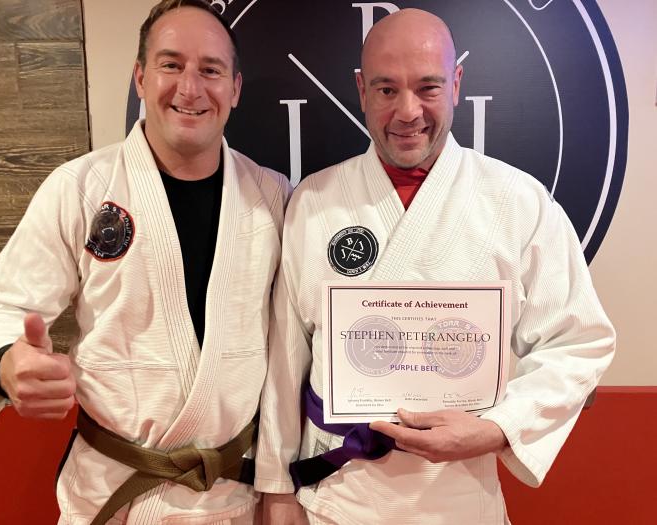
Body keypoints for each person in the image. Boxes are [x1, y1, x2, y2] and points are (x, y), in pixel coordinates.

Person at [255, 8, 615, 524]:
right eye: (386, 89)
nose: (408, 112)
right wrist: (276, 488)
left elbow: (578, 342)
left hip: (461, 500)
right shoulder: (315, 200)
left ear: (456, 84)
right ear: (360, 90)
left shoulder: (518, 201)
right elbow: (285, 360)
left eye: (428, 87)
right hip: (334, 499)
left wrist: (496, 429)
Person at [0, 1, 290, 523]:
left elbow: (296, 339)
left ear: (235, 88)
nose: (190, 88)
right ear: (140, 77)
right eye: (170, 64)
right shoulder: (81, 187)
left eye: (211, 70)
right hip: (113, 497)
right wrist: (6, 363)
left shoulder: (272, 196)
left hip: (230, 498)